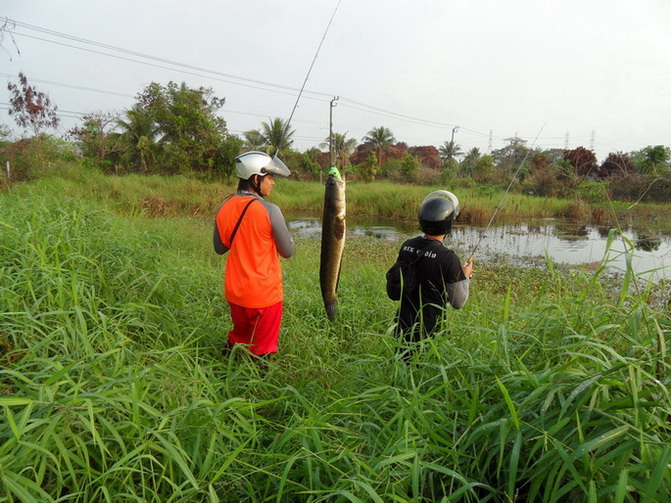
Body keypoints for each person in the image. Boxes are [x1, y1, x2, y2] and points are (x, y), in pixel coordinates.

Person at [213, 151, 295, 357]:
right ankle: (258, 386)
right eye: (270, 178)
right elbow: (288, 251)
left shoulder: (224, 208)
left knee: (240, 336)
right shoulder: (270, 210)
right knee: (263, 350)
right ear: (256, 178)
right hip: (264, 296)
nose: (273, 183)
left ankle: (226, 369)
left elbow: (220, 247)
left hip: (235, 292)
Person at [392, 191, 473, 346]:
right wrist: (466, 276)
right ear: (448, 224)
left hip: (403, 325)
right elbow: (458, 302)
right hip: (430, 330)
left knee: (402, 365)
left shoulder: (407, 246)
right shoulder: (448, 258)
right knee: (423, 368)